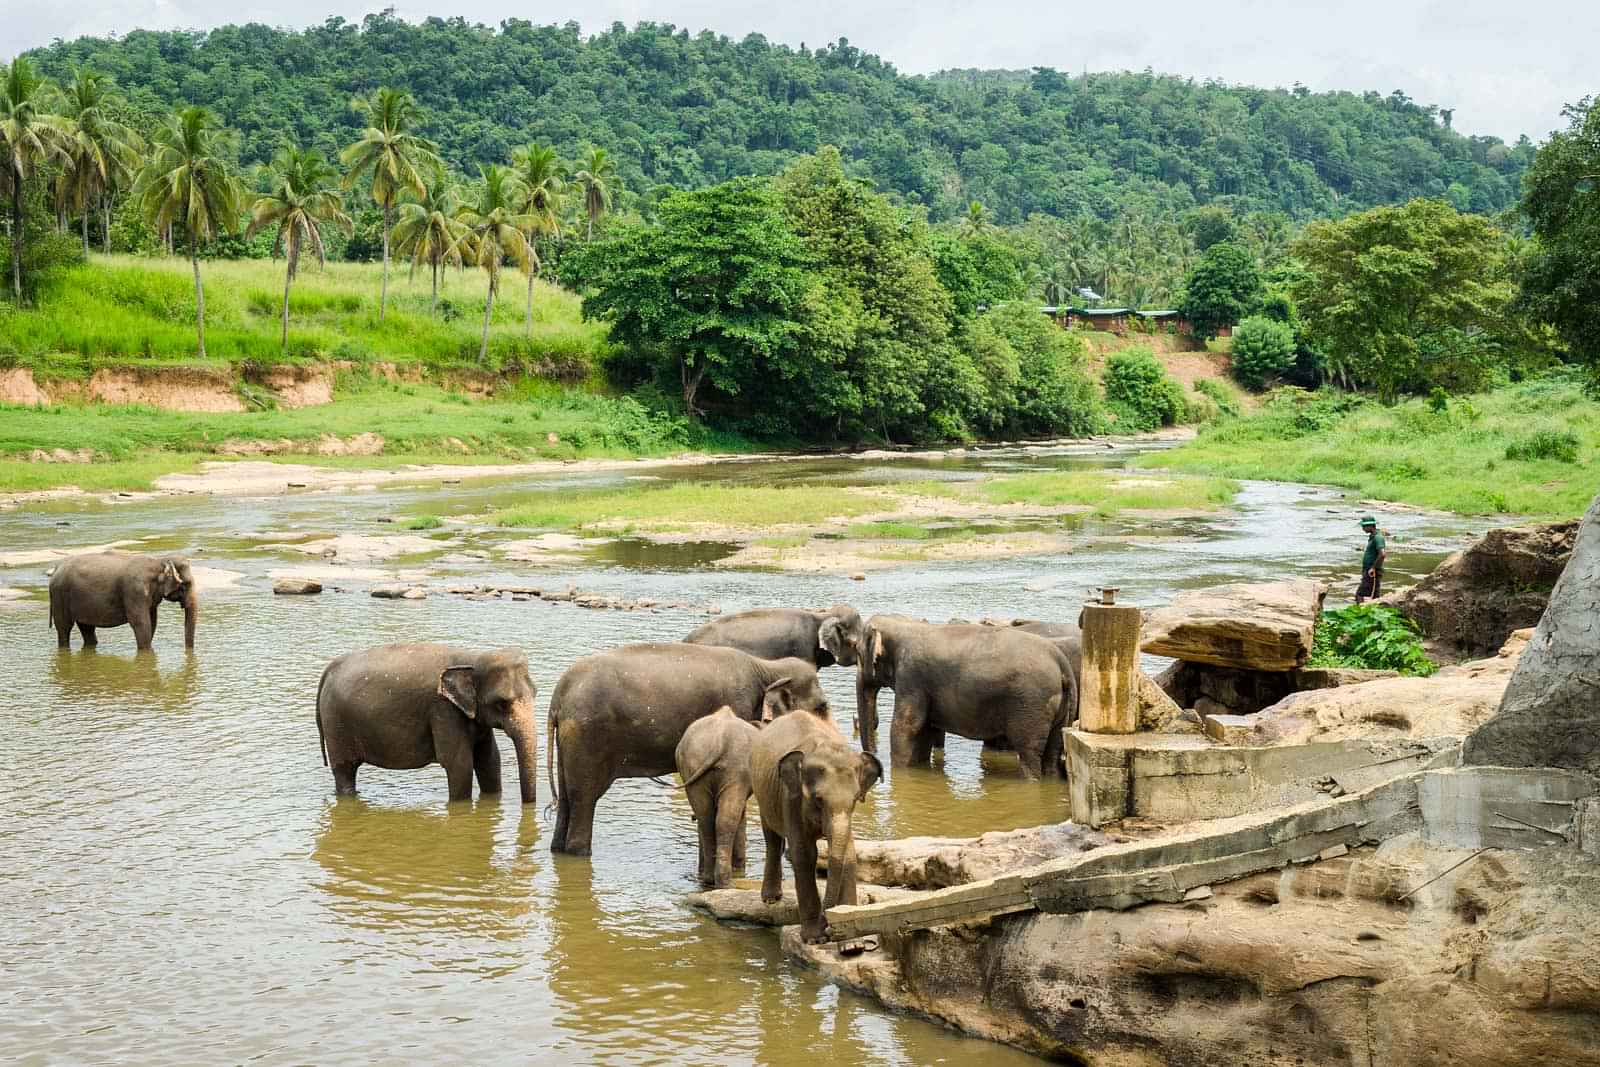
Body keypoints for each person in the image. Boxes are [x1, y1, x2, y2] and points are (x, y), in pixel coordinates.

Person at [1356, 515, 1387, 604]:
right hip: (1370, 570)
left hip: (1372, 572)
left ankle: (1359, 611)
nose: (1362, 528)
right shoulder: (1373, 537)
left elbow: (1382, 554)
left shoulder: (1378, 538)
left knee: (1360, 594)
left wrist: (1373, 567)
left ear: (1370, 526)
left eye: (1364, 526)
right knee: (1374, 595)